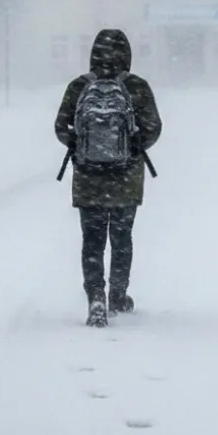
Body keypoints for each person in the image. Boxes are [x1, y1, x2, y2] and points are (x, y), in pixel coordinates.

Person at [55, 28, 162, 327]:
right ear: (127, 55)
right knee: (121, 238)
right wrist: (133, 149)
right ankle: (118, 295)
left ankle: (96, 298)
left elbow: (61, 127)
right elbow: (153, 127)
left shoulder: (79, 86)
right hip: (126, 178)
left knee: (92, 240)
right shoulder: (136, 86)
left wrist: (80, 148)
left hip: (88, 178)